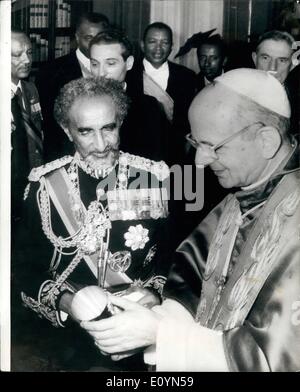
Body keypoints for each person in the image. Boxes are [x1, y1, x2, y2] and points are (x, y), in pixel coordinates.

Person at [80, 69, 300, 372]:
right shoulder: (236, 200)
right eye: (196, 144)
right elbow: (191, 282)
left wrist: (161, 335)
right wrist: (152, 314)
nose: (200, 161)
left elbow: (282, 356)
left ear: (266, 140)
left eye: (212, 146)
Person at [16, 77, 171, 371]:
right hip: (67, 343)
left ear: (120, 123)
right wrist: (67, 303)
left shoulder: (151, 179)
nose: (101, 145)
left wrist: (152, 294)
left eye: (109, 128)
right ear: (67, 130)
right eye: (86, 132)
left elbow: (173, 258)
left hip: (142, 332)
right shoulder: (44, 187)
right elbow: (23, 270)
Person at [35, 12, 109, 161]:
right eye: (88, 38)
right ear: (77, 37)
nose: (94, 44)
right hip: (65, 154)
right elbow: (50, 123)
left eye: (99, 38)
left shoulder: (117, 67)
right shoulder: (50, 72)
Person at [89, 29, 169, 163]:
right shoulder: (78, 105)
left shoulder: (149, 107)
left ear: (129, 63)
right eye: (95, 64)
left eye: (110, 63)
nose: (100, 73)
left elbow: (159, 161)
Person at [126, 22, 197, 165]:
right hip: (136, 156)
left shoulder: (187, 77)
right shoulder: (127, 74)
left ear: (171, 46)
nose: (158, 48)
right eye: (152, 42)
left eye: (164, 42)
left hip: (176, 156)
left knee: (181, 187)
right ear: (142, 45)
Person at [11, 29, 44, 222]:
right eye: (16, 55)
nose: (26, 60)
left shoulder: (30, 89)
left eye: (29, 52)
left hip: (32, 180)